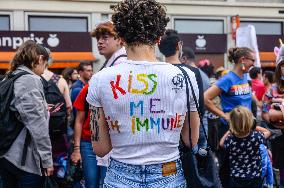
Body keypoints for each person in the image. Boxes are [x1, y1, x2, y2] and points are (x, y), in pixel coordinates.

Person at [86, 0, 200, 187]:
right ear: (159, 38)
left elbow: (100, 148)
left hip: (119, 175)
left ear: (121, 37)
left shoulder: (100, 79)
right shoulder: (185, 76)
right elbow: (190, 140)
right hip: (169, 173)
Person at [71, 21, 126, 188]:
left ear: (120, 40)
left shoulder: (120, 66)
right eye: (98, 38)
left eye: (105, 37)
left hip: (115, 143)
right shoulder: (109, 66)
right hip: (105, 142)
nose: (100, 42)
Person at [0, 40, 53, 187]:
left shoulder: (10, 77)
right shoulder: (30, 80)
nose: (44, 69)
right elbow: (38, 126)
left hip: (6, 152)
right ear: (40, 59)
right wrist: (47, 160)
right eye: (46, 64)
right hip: (23, 159)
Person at [204, 47, 255, 183]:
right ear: (243, 60)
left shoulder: (244, 77)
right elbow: (205, 98)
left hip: (246, 129)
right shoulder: (227, 79)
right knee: (227, 170)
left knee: (243, 169)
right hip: (229, 130)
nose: (254, 64)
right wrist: (224, 115)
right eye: (252, 60)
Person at [158, 29, 205, 150]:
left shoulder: (156, 72)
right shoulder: (192, 73)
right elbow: (200, 108)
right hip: (185, 137)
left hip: (160, 134)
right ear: (179, 46)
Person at [220, 106, 271, 188]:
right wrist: (252, 127)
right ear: (251, 122)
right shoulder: (257, 137)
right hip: (255, 176)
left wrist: (230, 130)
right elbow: (267, 132)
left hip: (236, 177)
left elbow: (221, 144)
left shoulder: (230, 140)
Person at [181, 46, 210, 149]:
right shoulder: (204, 75)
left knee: (194, 154)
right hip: (202, 121)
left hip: (194, 123)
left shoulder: (190, 74)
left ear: (184, 58)